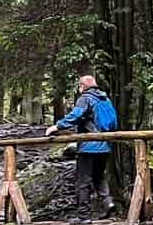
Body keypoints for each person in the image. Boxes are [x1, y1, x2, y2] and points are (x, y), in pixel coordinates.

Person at [47, 74, 119, 217]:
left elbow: (76, 115)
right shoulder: (105, 99)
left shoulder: (85, 98)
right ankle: (107, 201)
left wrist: (57, 126)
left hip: (88, 146)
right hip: (105, 145)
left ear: (82, 86)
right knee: (99, 176)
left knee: (83, 180)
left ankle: (83, 215)